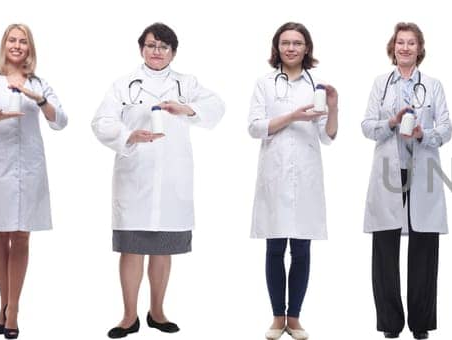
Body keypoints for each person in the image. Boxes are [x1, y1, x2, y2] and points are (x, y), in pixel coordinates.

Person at [90, 22, 225, 339]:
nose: (157, 51)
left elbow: (217, 106)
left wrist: (187, 108)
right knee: (132, 249)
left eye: (163, 47)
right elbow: (100, 122)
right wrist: (128, 135)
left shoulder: (186, 83)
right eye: (151, 45)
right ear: (141, 48)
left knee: (163, 249)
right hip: (135, 176)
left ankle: (158, 311)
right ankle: (128, 316)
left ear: (173, 52)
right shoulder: (124, 84)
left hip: (171, 181)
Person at [0, 23, 69, 340]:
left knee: (21, 238)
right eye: (12, 40)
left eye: (23, 41)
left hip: (29, 170)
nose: (17, 45)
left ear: (30, 48)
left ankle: (14, 310)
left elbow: (60, 121)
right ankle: (3, 305)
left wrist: (37, 99)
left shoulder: (39, 84)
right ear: (4, 45)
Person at [362, 22, 452, 340]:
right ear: (393, 47)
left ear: (419, 49)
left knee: (424, 248)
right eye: (400, 42)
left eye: (411, 43)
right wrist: (391, 122)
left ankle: (421, 323)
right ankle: (390, 323)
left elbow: (446, 128)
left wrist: (422, 134)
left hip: (422, 170)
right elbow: (366, 126)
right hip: (389, 170)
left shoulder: (433, 84)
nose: (405, 48)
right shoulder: (380, 84)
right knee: (385, 249)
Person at [246, 22, 337, 340]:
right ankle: (276, 318)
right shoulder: (265, 83)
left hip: (307, 173)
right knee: (274, 247)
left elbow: (328, 137)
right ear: (277, 47)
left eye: (297, 43)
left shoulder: (318, 87)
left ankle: (294, 318)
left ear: (307, 48)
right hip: (275, 172)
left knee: (301, 248)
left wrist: (334, 106)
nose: (291, 48)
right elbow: (255, 127)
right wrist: (292, 117)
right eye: (285, 43)